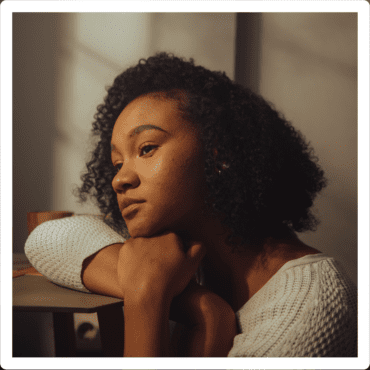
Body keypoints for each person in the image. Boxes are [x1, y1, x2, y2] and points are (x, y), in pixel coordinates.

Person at [25, 52, 357, 357]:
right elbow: (48, 239)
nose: (119, 180)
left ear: (220, 156)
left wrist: (147, 297)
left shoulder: (310, 307)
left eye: (146, 148)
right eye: (116, 163)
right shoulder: (182, 259)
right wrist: (202, 306)